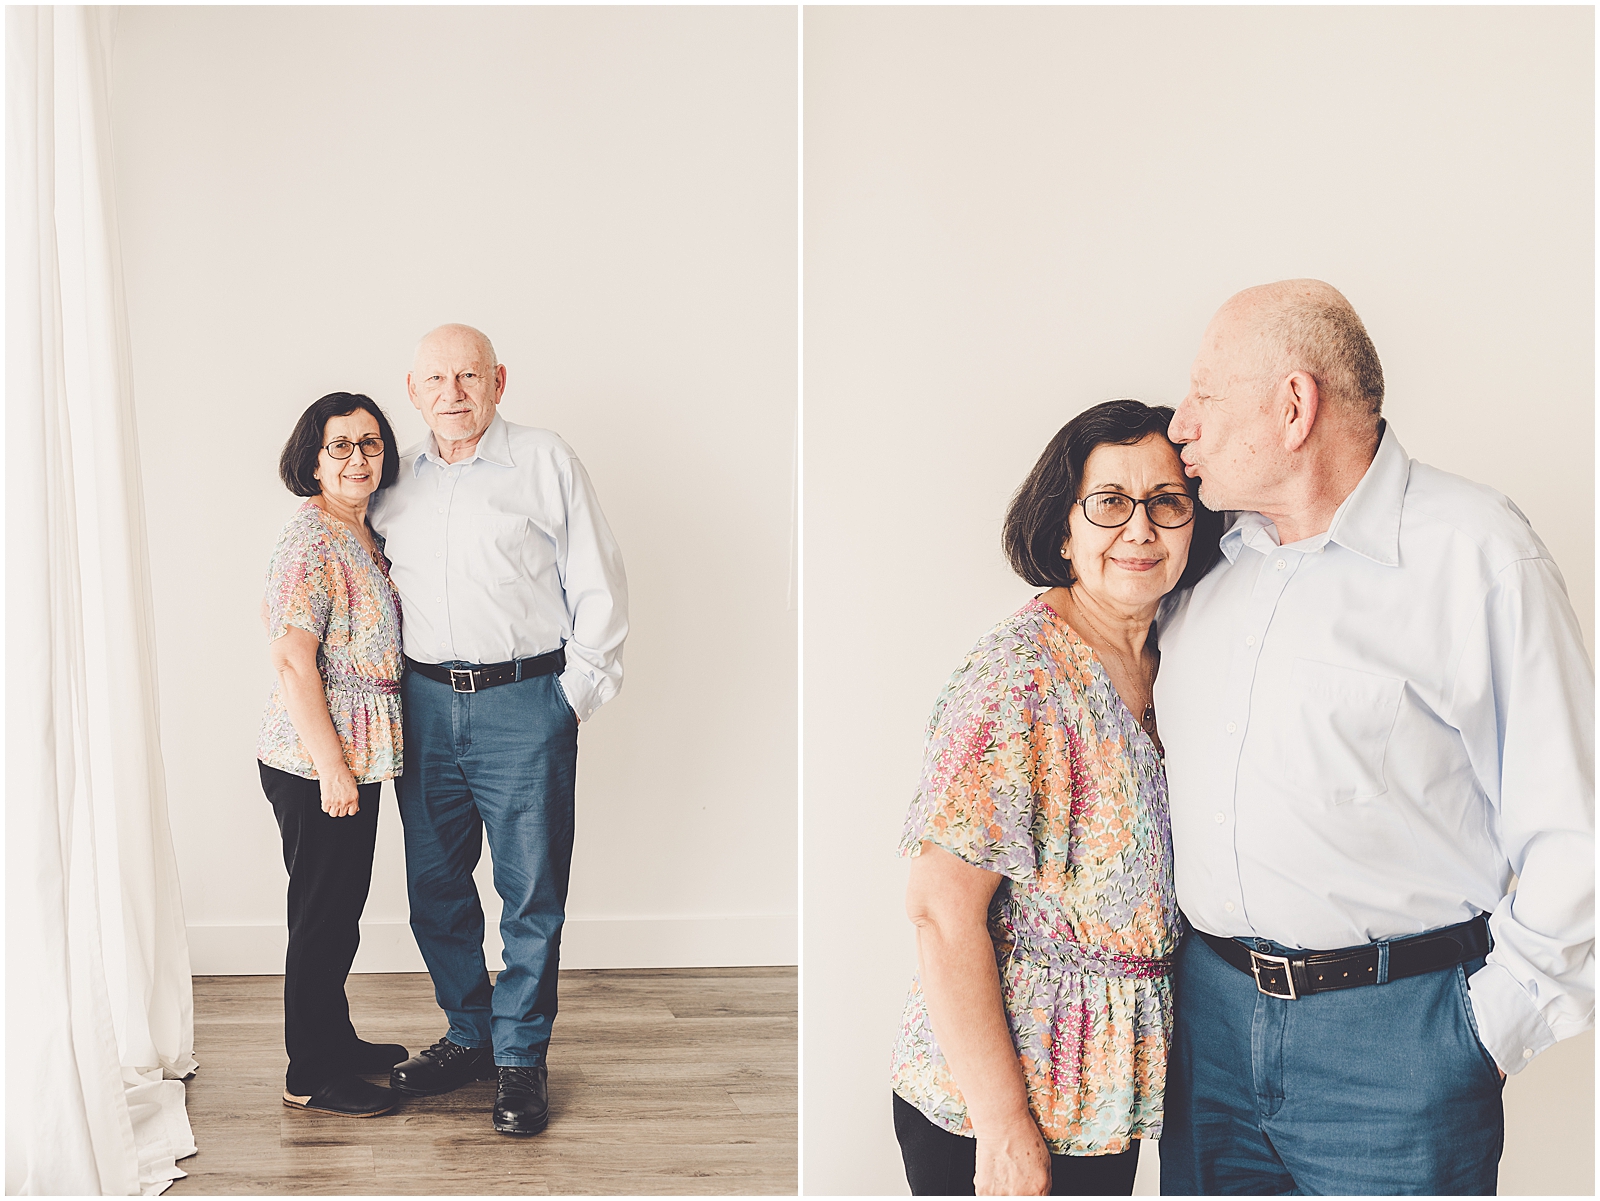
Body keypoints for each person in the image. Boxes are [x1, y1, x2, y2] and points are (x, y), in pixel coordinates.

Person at [1155, 279, 1596, 1195]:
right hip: (1207, 1032)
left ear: (1293, 406)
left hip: (1399, 1041)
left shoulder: (1477, 554)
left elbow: (1575, 831)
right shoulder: (1201, 565)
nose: (1180, 422)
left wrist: (1486, 1030)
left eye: (1204, 393)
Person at [890, 399, 1224, 1196]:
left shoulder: (1181, 653)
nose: (1139, 530)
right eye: (1109, 503)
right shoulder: (1022, 679)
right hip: (1003, 1109)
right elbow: (941, 909)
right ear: (1063, 529)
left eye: (1167, 502)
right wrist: (1004, 1126)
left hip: (1105, 1099)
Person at [370, 323, 628, 1136]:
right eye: (436, 379)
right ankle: (468, 1035)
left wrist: (570, 699)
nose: (453, 392)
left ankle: (520, 1056)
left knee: (530, 892)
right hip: (423, 704)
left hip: (525, 700)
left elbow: (600, 583)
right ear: (413, 391)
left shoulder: (544, 461)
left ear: (498, 381)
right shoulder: (392, 481)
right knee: (435, 887)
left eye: (469, 376)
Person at [257, 392, 409, 1118]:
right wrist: (333, 766)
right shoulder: (313, 541)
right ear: (313, 459)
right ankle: (308, 1072)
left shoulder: (361, 530)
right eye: (340, 445)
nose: (358, 458)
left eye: (370, 444)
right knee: (321, 916)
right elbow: (293, 658)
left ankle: (335, 1039)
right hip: (317, 760)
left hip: (354, 752)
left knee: (338, 911)